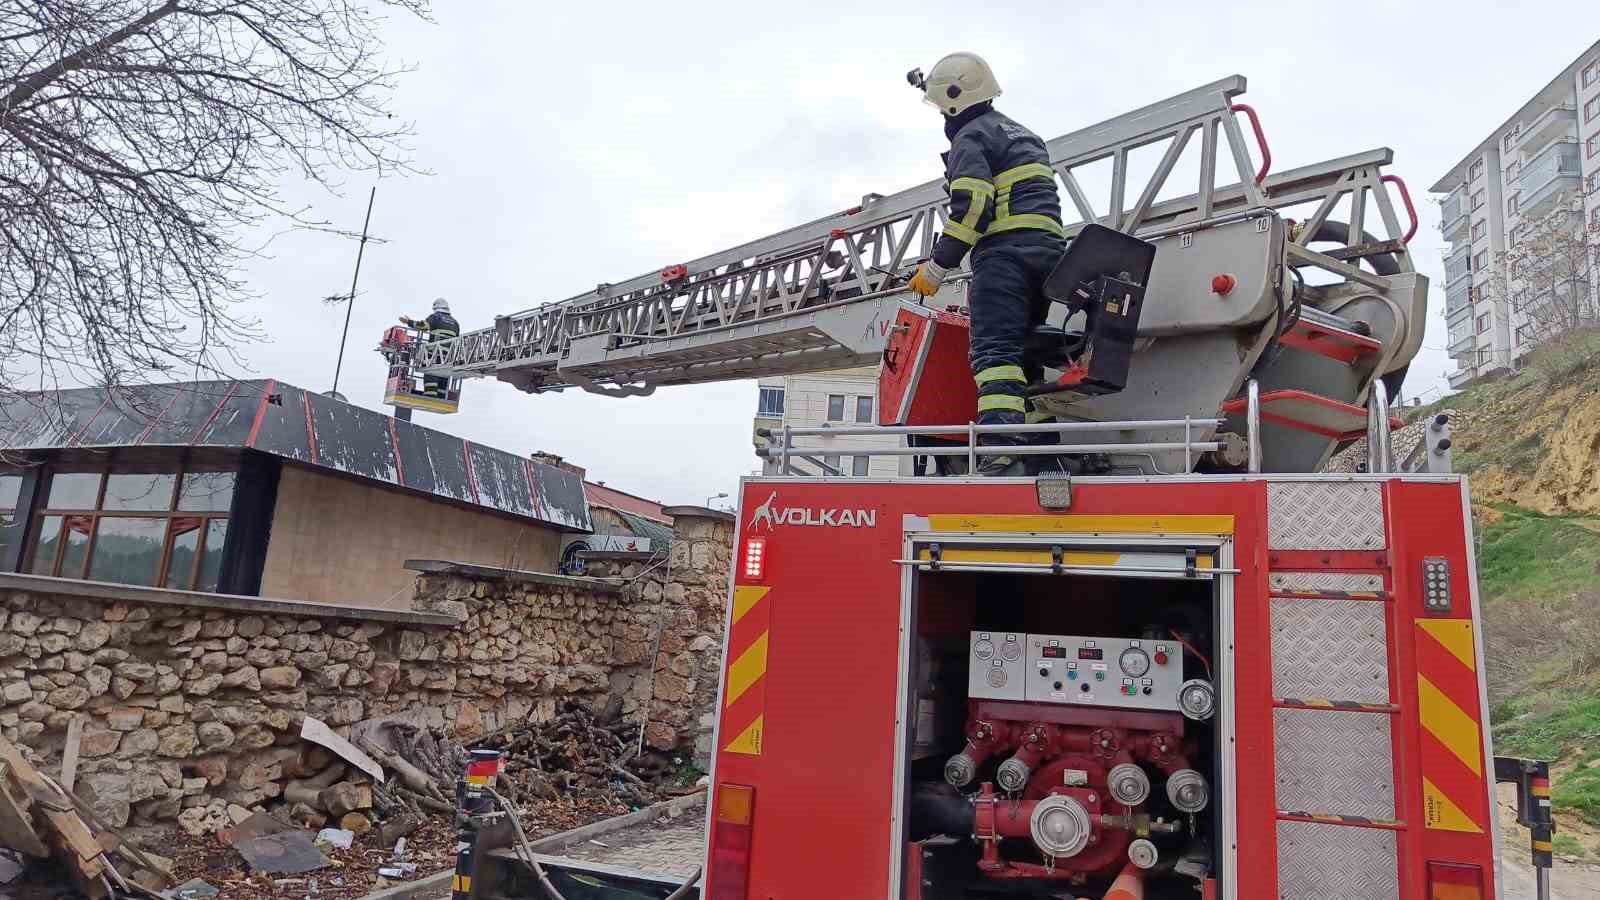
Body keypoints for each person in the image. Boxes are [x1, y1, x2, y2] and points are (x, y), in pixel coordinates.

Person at [905, 52, 1066, 476]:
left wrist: (935, 270)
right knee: (1024, 358)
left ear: (954, 99)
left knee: (995, 354)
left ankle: (1002, 451)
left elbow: (974, 207)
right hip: (1048, 256)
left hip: (1005, 258)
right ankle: (1043, 454)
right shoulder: (1023, 134)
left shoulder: (971, 137)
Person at [400, 297, 460, 398]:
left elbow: (423, 326)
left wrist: (408, 322)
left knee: (429, 370)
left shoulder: (435, 317)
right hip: (449, 356)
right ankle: (441, 395)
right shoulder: (455, 323)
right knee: (444, 374)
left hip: (435, 353)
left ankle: (430, 395)